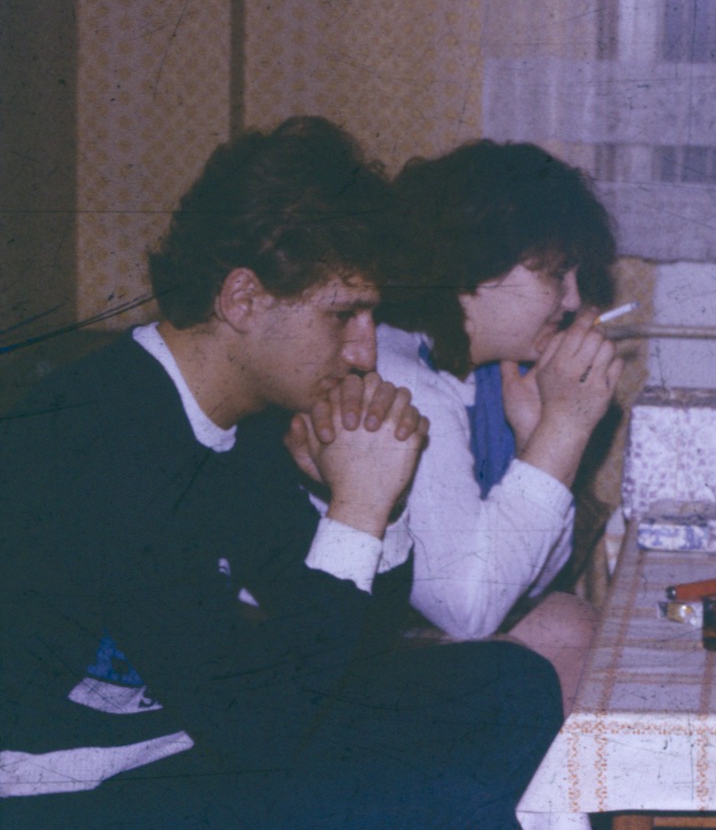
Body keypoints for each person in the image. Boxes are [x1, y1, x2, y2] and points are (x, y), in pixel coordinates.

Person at [0, 117, 563, 829]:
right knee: (448, 797)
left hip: (191, 741)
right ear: (242, 299)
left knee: (510, 684)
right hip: (68, 789)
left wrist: (377, 510)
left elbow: (341, 654)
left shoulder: (242, 419)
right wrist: (355, 510)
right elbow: (258, 726)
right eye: (343, 315)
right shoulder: (98, 432)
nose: (363, 352)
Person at [366, 139, 622, 710]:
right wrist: (563, 432)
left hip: (403, 632)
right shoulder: (401, 376)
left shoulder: (483, 372)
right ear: (470, 271)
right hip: (322, 655)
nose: (573, 299)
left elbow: (525, 586)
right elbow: (469, 610)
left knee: (569, 621)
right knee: (557, 644)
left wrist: (535, 439)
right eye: (557, 274)